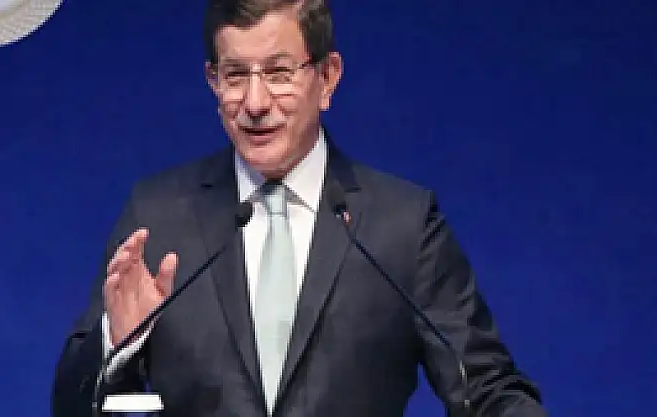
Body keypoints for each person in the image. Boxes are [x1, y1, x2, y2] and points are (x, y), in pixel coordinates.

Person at [51, 1, 547, 416]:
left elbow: (487, 388)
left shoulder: (402, 225)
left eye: (278, 72)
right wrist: (116, 342)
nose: (255, 102)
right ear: (212, 82)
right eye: (235, 75)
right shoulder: (159, 215)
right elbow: (69, 406)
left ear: (327, 78)